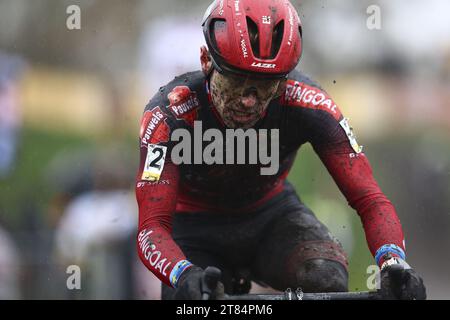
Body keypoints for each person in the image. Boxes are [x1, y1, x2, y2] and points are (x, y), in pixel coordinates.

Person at [135, 0, 426, 300]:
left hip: (271, 217)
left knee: (325, 276)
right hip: (195, 231)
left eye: (266, 84)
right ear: (206, 60)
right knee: (193, 297)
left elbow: (369, 199)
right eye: (236, 80)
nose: (249, 100)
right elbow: (151, 228)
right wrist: (183, 272)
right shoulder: (169, 115)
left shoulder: (308, 104)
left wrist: (394, 263)